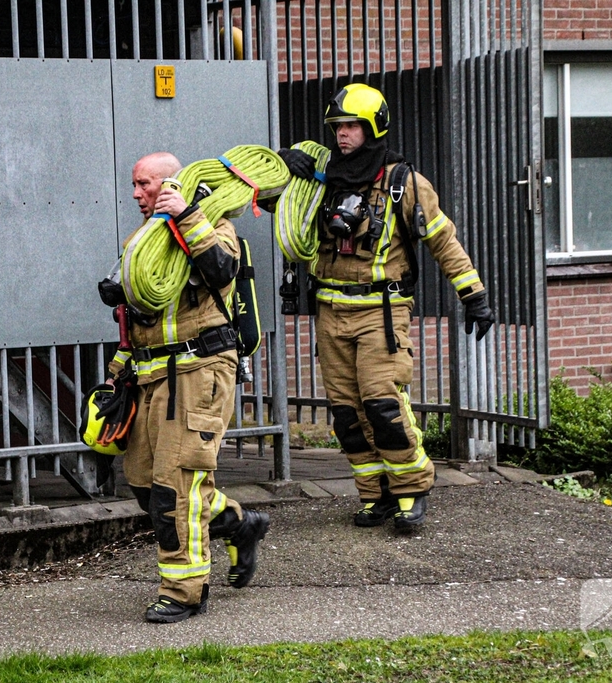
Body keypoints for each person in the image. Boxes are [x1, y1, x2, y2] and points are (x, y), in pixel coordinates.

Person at [278, 83, 495, 532]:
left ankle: (411, 491)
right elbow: (273, 206)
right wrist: (284, 164)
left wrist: (474, 296)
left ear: (374, 127)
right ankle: (374, 496)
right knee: (346, 413)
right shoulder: (319, 178)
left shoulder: (404, 182)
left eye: (352, 126)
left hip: (381, 312)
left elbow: (443, 241)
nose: (342, 135)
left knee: (383, 405)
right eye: (337, 127)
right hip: (330, 312)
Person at [101, 152, 270, 623]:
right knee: (142, 484)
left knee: (175, 487)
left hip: (199, 372)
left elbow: (220, 270)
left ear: (171, 183)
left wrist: (187, 215)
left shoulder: (214, 224)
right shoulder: (144, 239)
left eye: (144, 184)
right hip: (151, 375)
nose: (136, 194)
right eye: (133, 185)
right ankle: (237, 523)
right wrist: (115, 375)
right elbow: (134, 324)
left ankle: (184, 592)